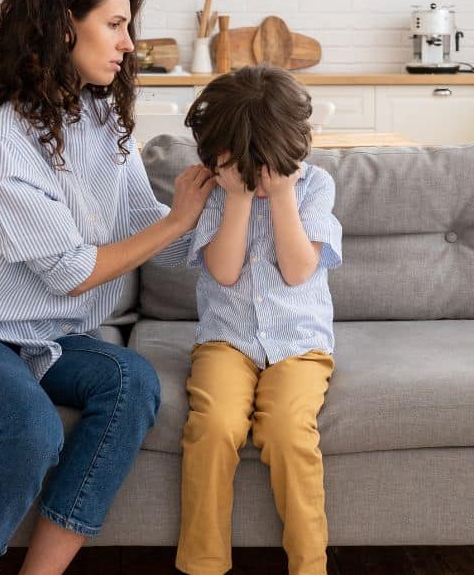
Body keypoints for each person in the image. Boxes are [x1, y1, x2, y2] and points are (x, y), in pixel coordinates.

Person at [0, 0, 216, 575]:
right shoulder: (2, 135)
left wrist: (224, 204)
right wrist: (177, 223)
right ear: (64, 24)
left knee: (132, 383)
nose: (128, 44)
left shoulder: (99, 123)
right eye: (114, 24)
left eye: (128, 27)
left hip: (42, 334)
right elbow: (71, 272)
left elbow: (148, 231)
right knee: (32, 432)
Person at [175, 65, 343, 575]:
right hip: (227, 341)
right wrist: (240, 198)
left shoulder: (315, 186)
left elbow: (297, 272)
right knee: (214, 427)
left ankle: (309, 567)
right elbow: (224, 272)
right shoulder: (219, 190)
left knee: (290, 433)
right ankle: (204, 565)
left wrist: (284, 193)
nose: (257, 178)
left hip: (300, 346)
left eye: (266, 168)